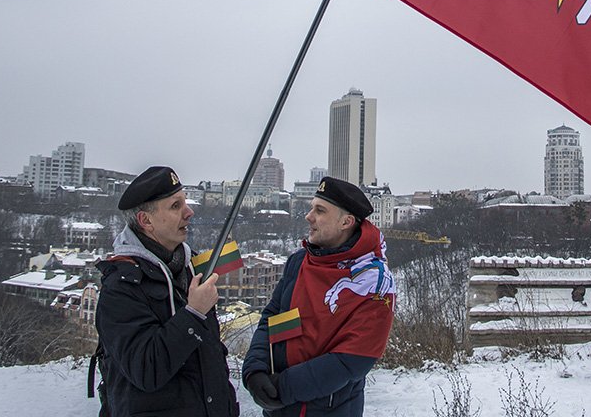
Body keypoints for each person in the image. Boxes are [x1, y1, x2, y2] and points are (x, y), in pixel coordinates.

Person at [242, 177, 396, 416]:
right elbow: (272, 317)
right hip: (279, 409)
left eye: (320, 210)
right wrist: (255, 368)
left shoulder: (373, 280)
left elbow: (353, 358)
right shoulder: (299, 261)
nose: (309, 216)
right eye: (312, 207)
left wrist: (283, 388)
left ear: (346, 222)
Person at [94, 166, 238, 417]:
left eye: (185, 202)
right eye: (175, 206)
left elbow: (211, 357)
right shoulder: (121, 286)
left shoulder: (189, 269)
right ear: (146, 221)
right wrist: (193, 314)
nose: (189, 212)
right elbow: (146, 370)